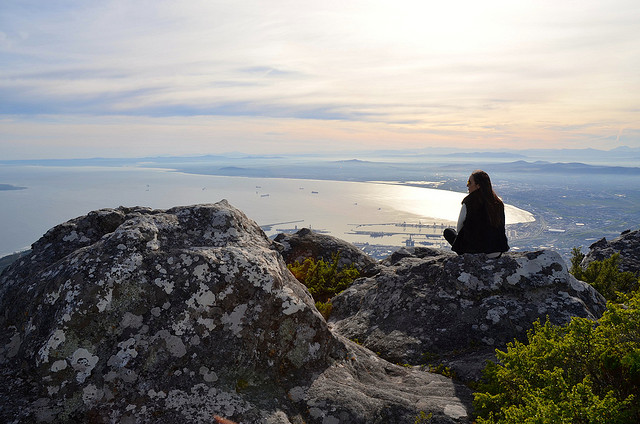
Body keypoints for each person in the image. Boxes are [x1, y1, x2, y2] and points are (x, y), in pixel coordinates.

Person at [443, 170, 509, 257]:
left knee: (448, 232)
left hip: (472, 251)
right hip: (496, 251)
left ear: (478, 186)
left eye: (469, 182)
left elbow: (459, 229)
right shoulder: (498, 203)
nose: (467, 185)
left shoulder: (469, 202)